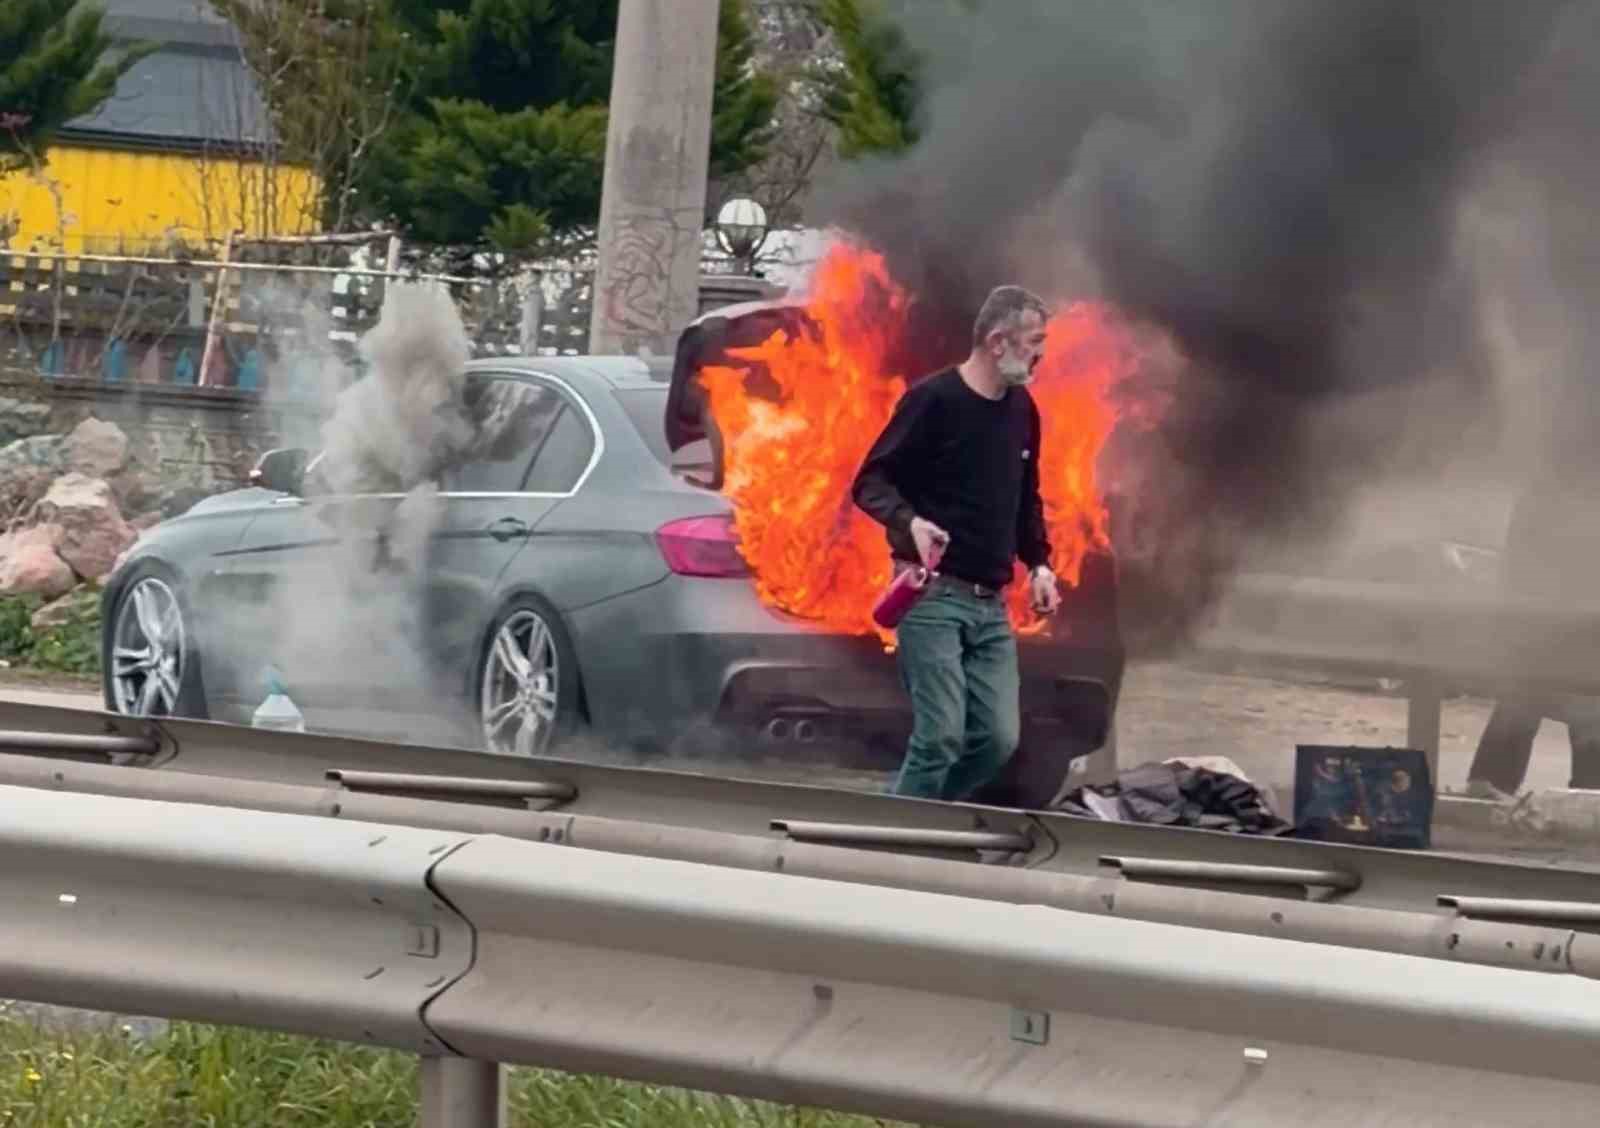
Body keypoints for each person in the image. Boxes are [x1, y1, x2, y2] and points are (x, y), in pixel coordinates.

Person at [851, 285, 1061, 801]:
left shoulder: (1022, 410)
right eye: (1035, 341)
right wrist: (911, 522)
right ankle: (896, 843)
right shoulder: (933, 400)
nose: (1041, 353)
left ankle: (921, 816)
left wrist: (1039, 565)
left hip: (991, 607)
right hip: (931, 598)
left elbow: (1024, 498)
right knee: (940, 736)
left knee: (996, 740)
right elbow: (870, 483)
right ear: (996, 342)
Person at [1467, 471, 1600, 796]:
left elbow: (1516, 565)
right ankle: (1588, 797)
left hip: (1542, 625)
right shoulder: (1552, 493)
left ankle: (1490, 785)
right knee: (1576, 708)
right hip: (1549, 624)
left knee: (1531, 701)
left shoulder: (1548, 487)